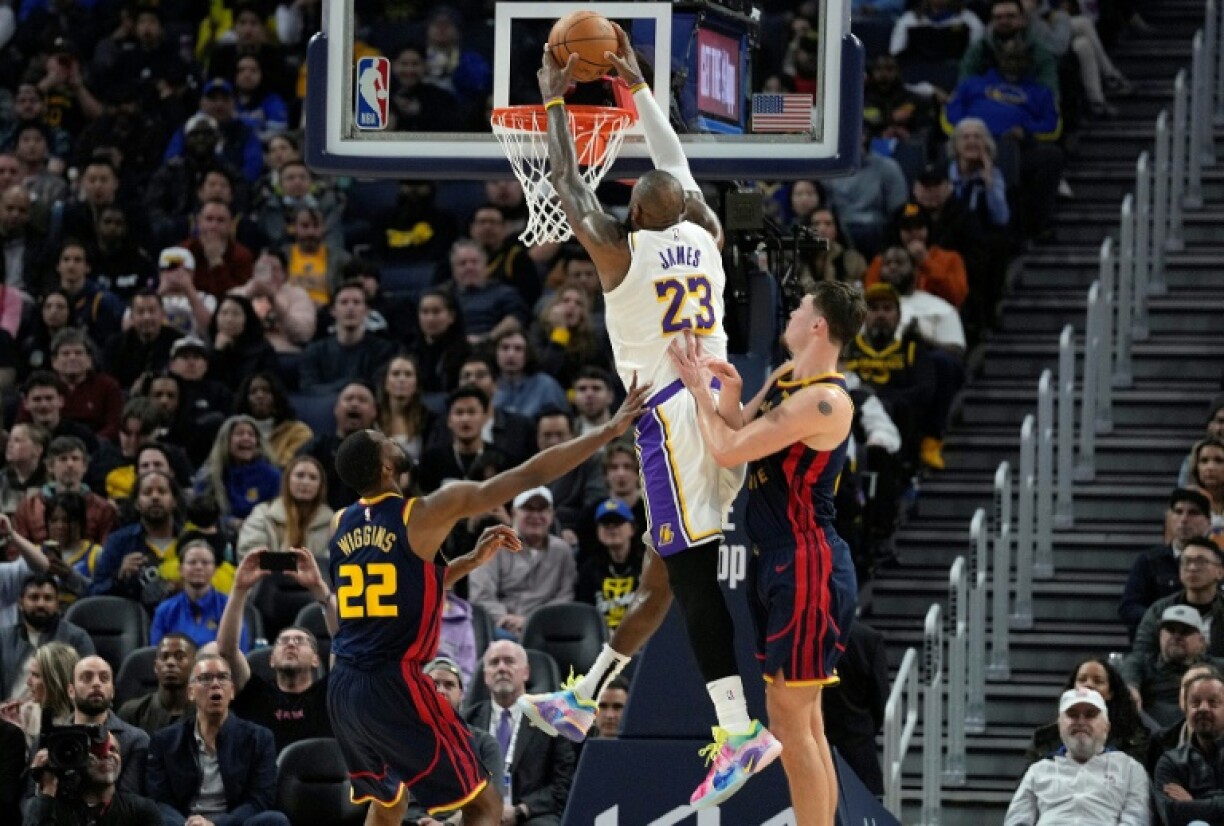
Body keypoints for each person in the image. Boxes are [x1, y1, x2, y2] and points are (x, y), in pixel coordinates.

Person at [526, 32, 775, 809]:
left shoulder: (618, 252)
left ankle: (739, 732)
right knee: (661, 579)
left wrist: (556, 96)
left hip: (672, 426)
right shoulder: (707, 236)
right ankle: (585, 693)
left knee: (693, 579)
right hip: (712, 416)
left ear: (632, 212)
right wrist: (635, 91)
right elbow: (676, 166)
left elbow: (566, 180)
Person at [315, 374, 645, 825]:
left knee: (388, 802)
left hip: (346, 686)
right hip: (395, 682)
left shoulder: (339, 523)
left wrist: (469, 561)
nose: (393, 439)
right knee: (485, 802)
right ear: (386, 467)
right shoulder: (425, 511)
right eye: (384, 439)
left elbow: (394, 592)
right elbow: (528, 474)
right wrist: (608, 432)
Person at [667, 281, 865, 825]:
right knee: (807, 724)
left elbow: (726, 448)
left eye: (802, 307)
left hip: (808, 560)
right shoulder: (784, 378)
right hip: (776, 559)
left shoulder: (824, 400)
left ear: (819, 325)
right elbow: (742, 435)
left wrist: (700, 396)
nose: (794, 312)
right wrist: (727, 400)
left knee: (789, 724)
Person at [146, 654, 289, 826]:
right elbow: (159, 800)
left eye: (222, 678)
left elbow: (260, 799)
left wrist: (217, 825)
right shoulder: (164, 740)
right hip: (183, 823)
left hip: (233, 823)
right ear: (191, 692)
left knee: (274, 820)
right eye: (205, 679)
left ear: (232, 691)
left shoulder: (259, 738)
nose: (215, 684)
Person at [216, 550, 333, 753]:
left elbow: (347, 640)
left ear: (316, 659)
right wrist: (239, 588)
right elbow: (226, 650)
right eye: (283, 641)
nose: (291, 644)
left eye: (300, 641)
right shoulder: (255, 695)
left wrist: (318, 587)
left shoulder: (328, 696)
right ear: (271, 659)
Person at [463, 641, 574, 826]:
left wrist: (521, 810)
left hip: (531, 815)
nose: (501, 668)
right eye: (494, 662)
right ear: (485, 676)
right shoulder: (467, 721)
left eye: (509, 661)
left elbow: (563, 782)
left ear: (526, 672)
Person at [1005, 687, 1149, 825]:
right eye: (1072, 715)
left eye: (1090, 715)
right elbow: (1017, 821)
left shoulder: (1130, 769)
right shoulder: (1038, 771)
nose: (1081, 721)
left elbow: (1136, 820)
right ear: (1060, 726)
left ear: (1106, 726)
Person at [403, 657, 506, 825]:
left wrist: (448, 825)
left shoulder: (484, 744)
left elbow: (492, 806)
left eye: (449, 685)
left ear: (461, 695)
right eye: (434, 684)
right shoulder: (399, 741)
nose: (441, 691)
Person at [468, 487, 576, 640]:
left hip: (546, 627)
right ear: (513, 514)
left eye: (542, 510)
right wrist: (506, 619)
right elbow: (481, 595)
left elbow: (565, 596)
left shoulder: (562, 551)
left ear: (552, 516)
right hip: (502, 627)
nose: (536, 516)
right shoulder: (492, 546)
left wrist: (531, 621)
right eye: (528, 509)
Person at [1120, 489, 1214, 640]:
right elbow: (1128, 608)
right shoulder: (1149, 561)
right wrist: (1169, 623)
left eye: (1193, 513)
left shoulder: (1217, 563)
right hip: (1158, 649)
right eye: (1178, 512)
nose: (1184, 519)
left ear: (1208, 522)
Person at [1023, 656, 1149, 766]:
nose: (1088, 684)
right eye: (1082, 680)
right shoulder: (1045, 740)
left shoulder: (1131, 739)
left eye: (1098, 681)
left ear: (1111, 693)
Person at [26, 730, 161, 825]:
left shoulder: (140, 811)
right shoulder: (55, 810)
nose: (107, 755)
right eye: (96, 751)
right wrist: (49, 786)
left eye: (113, 750)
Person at [0, 574, 95, 701]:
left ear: (57, 604)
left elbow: (87, 684)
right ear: (21, 603)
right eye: (34, 598)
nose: (41, 604)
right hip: (7, 714)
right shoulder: (4, 638)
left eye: (48, 598)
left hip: (57, 715)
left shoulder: (76, 638)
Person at [65, 655, 150, 796]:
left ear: (112, 691)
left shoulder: (136, 740)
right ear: (71, 690)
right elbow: (28, 801)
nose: (96, 683)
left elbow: (130, 801)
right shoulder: (49, 738)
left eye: (104, 678)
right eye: (87, 677)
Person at [150, 538, 248, 651]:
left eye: (205, 563)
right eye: (192, 562)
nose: (199, 567)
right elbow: (156, 654)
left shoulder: (229, 607)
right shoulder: (165, 610)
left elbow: (240, 652)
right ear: (180, 569)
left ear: (215, 570)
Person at [1153, 672, 1224, 826]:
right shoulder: (1171, 761)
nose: (1203, 708)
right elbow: (1170, 814)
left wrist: (1193, 802)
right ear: (1185, 709)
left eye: (1213, 702)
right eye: (1195, 703)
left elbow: (1183, 811)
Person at [118, 633, 197, 734]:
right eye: (164, 657)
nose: (170, 662)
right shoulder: (132, 713)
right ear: (155, 667)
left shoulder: (207, 713)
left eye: (179, 657)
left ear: (195, 665)